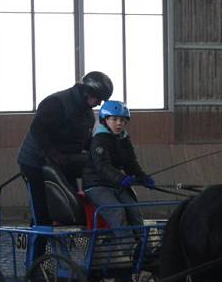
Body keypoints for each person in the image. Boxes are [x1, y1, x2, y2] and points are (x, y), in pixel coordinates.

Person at [17, 71, 113, 228]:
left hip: (64, 161)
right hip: (35, 163)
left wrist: (101, 151)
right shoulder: (56, 103)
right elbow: (38, 130)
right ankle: (38, 249)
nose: (99, 103)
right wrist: (51, 154)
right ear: (87, 92)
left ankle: (71, 248)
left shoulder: (86, 112)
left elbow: (84, 140)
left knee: (71, 208)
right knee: (43, 210)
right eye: (98, 98)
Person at [82, 100, 155, 231]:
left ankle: (141, 246)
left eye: (122, 120)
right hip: (96, 185)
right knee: (116, 211)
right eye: (114, 119)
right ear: (105, 120)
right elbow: (103, 167)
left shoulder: (124, 139)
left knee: (134, 209)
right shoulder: (99, 140)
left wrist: (143, 177)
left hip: (115, 184)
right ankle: (124, 246)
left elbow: (130, 163)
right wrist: (122, 179)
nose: (119, 123)